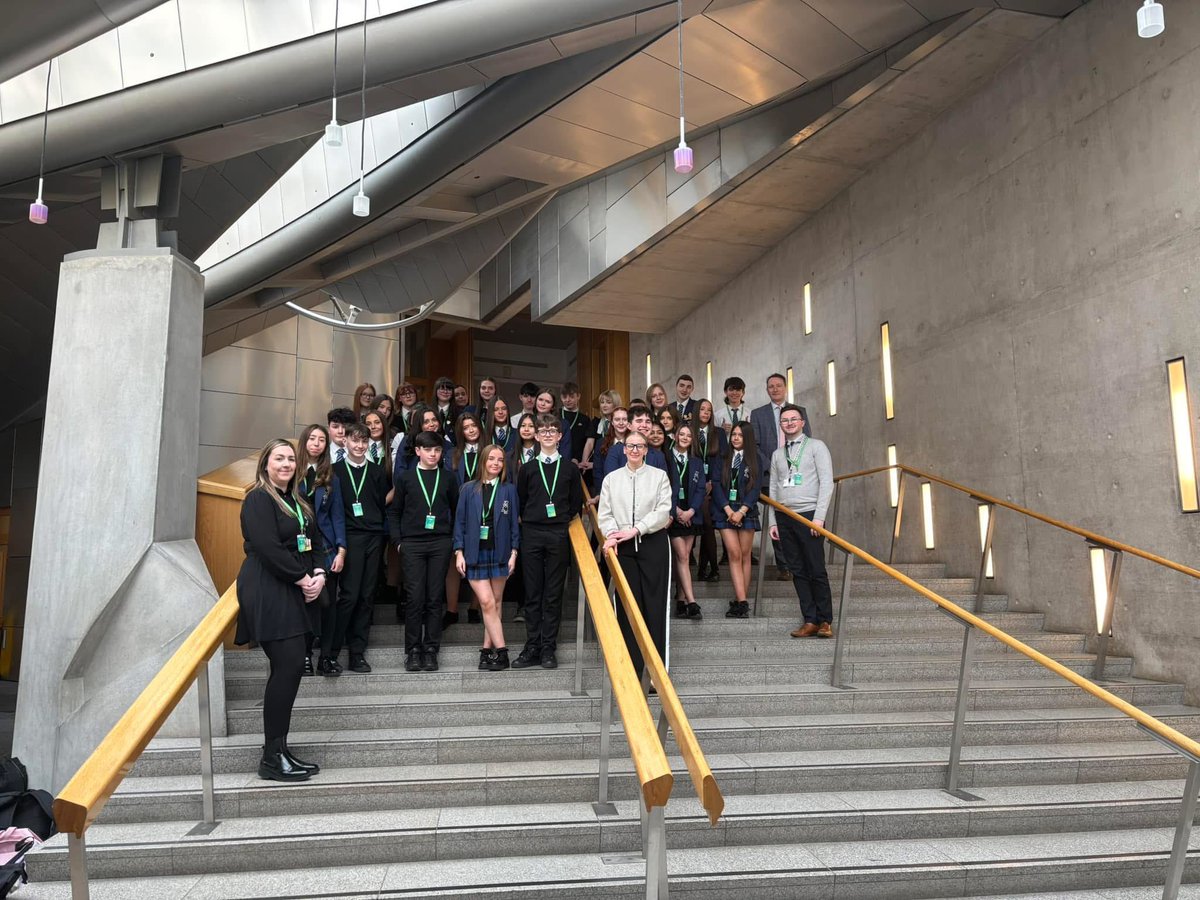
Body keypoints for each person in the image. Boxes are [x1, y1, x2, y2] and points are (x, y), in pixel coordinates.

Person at [235, 438, 325, 783]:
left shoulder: (297, 501)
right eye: (279, 459)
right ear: (265, 464)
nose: (286, 464)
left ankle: (280, 750)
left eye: (290, 459)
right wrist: (302, 578)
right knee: (287, 665)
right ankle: (271, 758)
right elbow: (267, 548)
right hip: (268, 588)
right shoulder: (258, 499)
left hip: (295, 586)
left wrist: (319, 573)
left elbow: (315, 542)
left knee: (292, 667)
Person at [598, 432, 673, 679]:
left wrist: (637, 529)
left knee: (655, 607)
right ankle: (630, 670)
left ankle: (656, 673)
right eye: (630, 446)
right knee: (627, 606)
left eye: (639, 446)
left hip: (653, 543)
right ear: (623, 449)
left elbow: (663, 511)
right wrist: (612, 534)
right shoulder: (611, 479)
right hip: (622, 547)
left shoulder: (659, 476)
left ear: (646, 450)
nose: (634, 450)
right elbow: (605, 514)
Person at [513, 414, 583, 670]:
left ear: (560, 436)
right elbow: (521, 499)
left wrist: (560, 519)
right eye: (543, 431)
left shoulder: (570, 469)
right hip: (532, 533)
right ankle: (532, 645)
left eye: (553, 430)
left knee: (553, 594)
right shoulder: (528, 468)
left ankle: (548, 648)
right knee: (533, 593)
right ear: (536, 436)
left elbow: (575, 503)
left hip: (558, 533)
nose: (548, 434)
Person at [388, 430, 460, 672]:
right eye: (428, 449)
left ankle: (430, 649)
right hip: (412, 544)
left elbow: (457, 511)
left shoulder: (448, 478)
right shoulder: (406, 478)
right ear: (418, 451)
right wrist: (398, 542)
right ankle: (413, 650)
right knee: (414, 598)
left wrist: (452, 540)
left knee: (434, 597)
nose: (433, 454)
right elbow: (395, 511)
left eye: (437, 450)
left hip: (440, 543)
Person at [769, 405, 835, 639]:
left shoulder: (817, 446)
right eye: (784, 420)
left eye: (793, 419)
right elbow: (773, 489)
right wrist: (773, 522)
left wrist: (819, 517)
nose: (789, 423)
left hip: (809, 516)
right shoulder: (778, 454)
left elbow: (827, 482)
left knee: (816, 569)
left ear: (802, 422)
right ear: (781, 425)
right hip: (784, 517)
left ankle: (825, 620)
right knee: (797, 570)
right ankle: (810, 619)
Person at [454, 445, 520, 671]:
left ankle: (486, 652)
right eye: (491, 458)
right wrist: (459, 552)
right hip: (474, 552)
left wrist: (514, 553)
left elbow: (514, 525)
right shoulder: (467, 489)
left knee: (496, 602)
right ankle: (502, 652)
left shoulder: (508, 490)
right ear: (483, 460)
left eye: (500, 460)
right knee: (486, 602)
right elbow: (459, 523)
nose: (496, 463)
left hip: (500, 552)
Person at [332, 423, 390, 673]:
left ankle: (357, 653)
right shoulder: (334, 471)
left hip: (374, 536)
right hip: (349, 537)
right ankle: (332, 651)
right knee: (349, 595)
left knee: (367, 596)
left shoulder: (376, 471)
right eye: (355, 440)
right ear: (344, 441)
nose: (359, 446)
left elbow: (381, 501)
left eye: (364, 441)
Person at [297, 425, 347, 677]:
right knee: (306, 601)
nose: (316, 443)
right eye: (312, 439)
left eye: (321, 440)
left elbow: (337, 515)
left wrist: (341, 550)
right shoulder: (292, 473)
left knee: (328, 604)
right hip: (298, 545)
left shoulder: (330, 476)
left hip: (326, 546)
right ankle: (304, 655)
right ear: (304, 441)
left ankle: (326, 657)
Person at [751, 373, 809, 580]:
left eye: (778, 385)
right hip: (770, 477)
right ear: (767, 390)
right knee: (779, 519)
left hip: (796, 476)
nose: (775, 389)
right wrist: (775, 466)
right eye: (771, 386)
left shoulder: (799, 411)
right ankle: (784, 566)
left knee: (798, 519)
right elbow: (754, 446)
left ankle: (800, 563)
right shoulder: (758, 414)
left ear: (785, 387)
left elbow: (807, 441)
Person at [712, 422, 763, 619]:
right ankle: (742, 602)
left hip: (746, 510)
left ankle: (739, 599)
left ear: (747, 438)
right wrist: (727, 509)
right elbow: (716, 484)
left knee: (745, 555)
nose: (735, 438)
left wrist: (741, 511)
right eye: (733, 434)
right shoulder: (722, 457)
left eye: (740, 435)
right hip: (724, 510)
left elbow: (756, 488)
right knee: (733, 553)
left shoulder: (755, 458)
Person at [667, 423, 706, 620]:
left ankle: (681, 601)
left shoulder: (696, 462)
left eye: (688, 436)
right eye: (681, 434)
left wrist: (690, 512)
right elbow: (662, 488)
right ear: (675, 436)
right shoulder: (666, 458)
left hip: (691, 516)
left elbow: (701, 489)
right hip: (673, 515)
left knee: (685, 556)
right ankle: (692, 602)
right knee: (682, 555)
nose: (684, 438)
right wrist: (677, 511)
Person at [693, 399, 726, 583]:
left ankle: (706, 569)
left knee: (708, 526)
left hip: (715, 485)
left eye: (709, 410)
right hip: (695, 485)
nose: (706, 412)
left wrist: (713, 481)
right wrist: (701, 483)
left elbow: (723, 458)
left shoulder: (718, 433)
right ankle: (711, 568)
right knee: (707, 526)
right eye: (702, 409)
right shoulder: (689, 431)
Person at [593, 406, 630, 499]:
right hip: (607, 493)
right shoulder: (601, 443)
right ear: (612, 422)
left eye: (624, 419)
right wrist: (600, 493)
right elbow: (598, 471)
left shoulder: (634, 442)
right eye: (617, 419)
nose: (621, 423)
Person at [559, 382, 594, 476]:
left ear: (578, 396)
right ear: (561, 397)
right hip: (558, 461)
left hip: (579, 464)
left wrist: (581, 461)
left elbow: (588, 443)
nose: (568, 400)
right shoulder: (555, 415)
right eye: (564, 397)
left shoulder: (585, 419)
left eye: (571, 396)